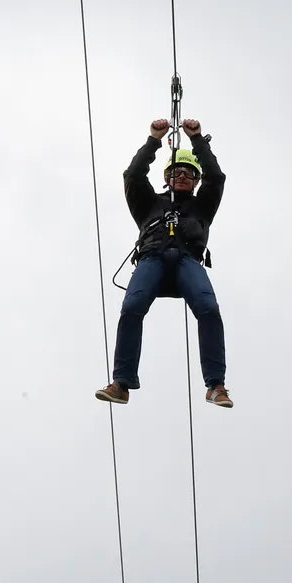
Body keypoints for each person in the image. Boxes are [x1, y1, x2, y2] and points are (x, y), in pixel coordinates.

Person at [96, 117, 232, 409]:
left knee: (209, 308)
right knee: (131, 307)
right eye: (176, 171)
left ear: (195, 181)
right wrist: (153, 140)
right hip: (152, 258)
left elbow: (216, 178)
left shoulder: (202, 206)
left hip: (186, 261)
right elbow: (132, 175)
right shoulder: (148, 205)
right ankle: (121, 383)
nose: (182, 176)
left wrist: (196, 139)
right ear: (167, 177)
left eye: (188, 173)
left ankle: (216, 385)